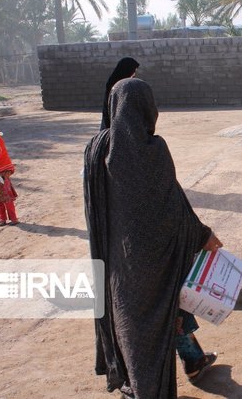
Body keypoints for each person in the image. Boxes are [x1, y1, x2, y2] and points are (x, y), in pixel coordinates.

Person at [83, 78, 222, 398]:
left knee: (130, 325)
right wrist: (203, 235)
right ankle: (158, 384)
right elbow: (173, 206)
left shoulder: (96, 149)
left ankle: (148, 377)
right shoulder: (152, 150)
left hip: (119, 262)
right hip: (158, 260)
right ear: (148, 108)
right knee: (168, 312)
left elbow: (94, 207)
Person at [100, 57, 140, 130]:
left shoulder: (119, 83)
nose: (134, 74)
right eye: (133, 71)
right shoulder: (116, 85)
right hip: (113, 123)